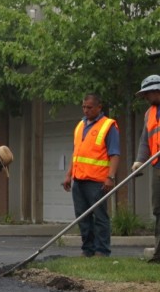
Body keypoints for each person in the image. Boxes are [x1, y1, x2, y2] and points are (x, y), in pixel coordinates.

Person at [62, 93, 119, 258]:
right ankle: (88, 249)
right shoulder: (80, 125)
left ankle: (102, 251)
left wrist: (111, 177)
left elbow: (115, 154)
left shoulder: (108, 126)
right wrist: (68, 174)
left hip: (97, 181)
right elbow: (76, 153)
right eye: (84, 107)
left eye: (89, 107)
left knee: (100, 216)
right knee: (82, 216)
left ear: (99, 107)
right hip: (79, 179)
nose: (86, 110)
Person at [133, 75, 160, 264]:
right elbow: (145, 140)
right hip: (157, 165)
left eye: (147, 94)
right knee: (159, 209)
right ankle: (159, 253)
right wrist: (139, 161)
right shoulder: (149, 113)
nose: (145, 98)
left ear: (156, 91)